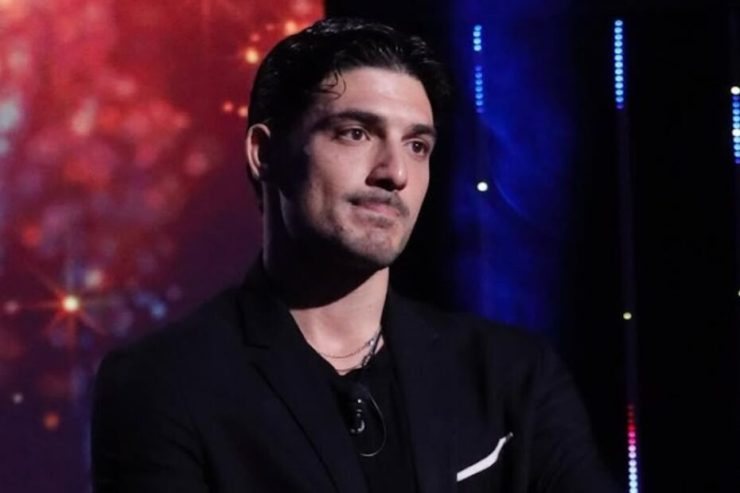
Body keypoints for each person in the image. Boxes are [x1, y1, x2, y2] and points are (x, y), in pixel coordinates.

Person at [91, 17, 621, 493]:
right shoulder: (165, 384)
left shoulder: (512, 375)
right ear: (265, 153)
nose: (395, 172)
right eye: (356, 133)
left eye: (417, 145)